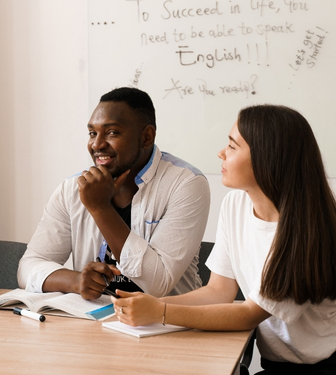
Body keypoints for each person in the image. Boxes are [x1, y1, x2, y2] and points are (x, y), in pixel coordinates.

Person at [112, 105, 336, 374]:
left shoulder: (304, 228)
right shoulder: (236, 204)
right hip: (283, 363)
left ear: (268, 158)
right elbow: (218, 292)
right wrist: (143, 307)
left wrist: (160, 311)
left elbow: (249, 313)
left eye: (232, 147)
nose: (221, 153)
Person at [17, 87, 210, 300]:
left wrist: (100, 208)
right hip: (95, 320)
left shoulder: (186, 184)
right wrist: (76, 281)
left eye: (112, 133)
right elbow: (28, 267)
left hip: (167, 323)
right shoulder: (72, 189)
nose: (97, 144)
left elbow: (157, 285)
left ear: (146, 137)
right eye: (92, 133)